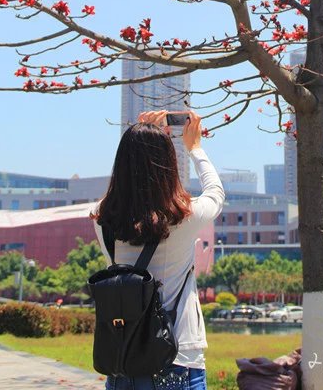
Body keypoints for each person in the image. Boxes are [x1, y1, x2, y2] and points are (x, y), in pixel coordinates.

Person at [92, 109, 225, 390]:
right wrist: (195, 148)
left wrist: (140, 140)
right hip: (176, 357)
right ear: (167, 164)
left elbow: (116, 195)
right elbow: (215, 192)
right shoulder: (184, 218)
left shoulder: (101, 220)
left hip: (122, 362)